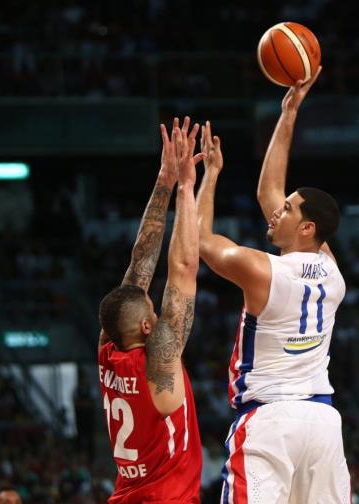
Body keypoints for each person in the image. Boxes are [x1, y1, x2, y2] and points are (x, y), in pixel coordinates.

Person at [196, 69, 351, 503]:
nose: (275, 212)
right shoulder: (332, 272)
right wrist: (288, 113)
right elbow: (270, 191)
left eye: (287, 211)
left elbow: (203, 243)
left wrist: (210, 177)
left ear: (306, 227)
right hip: (322, 422)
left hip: (269, 422)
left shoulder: (263, 270)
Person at [97, 117, 204, 502]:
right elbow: (184, 270)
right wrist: (186, 187)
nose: (158, 314)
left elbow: (139, 262)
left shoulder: (107, 350)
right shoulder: (159, 359)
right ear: (146, 328)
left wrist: (165, 180)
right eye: (153, 313)